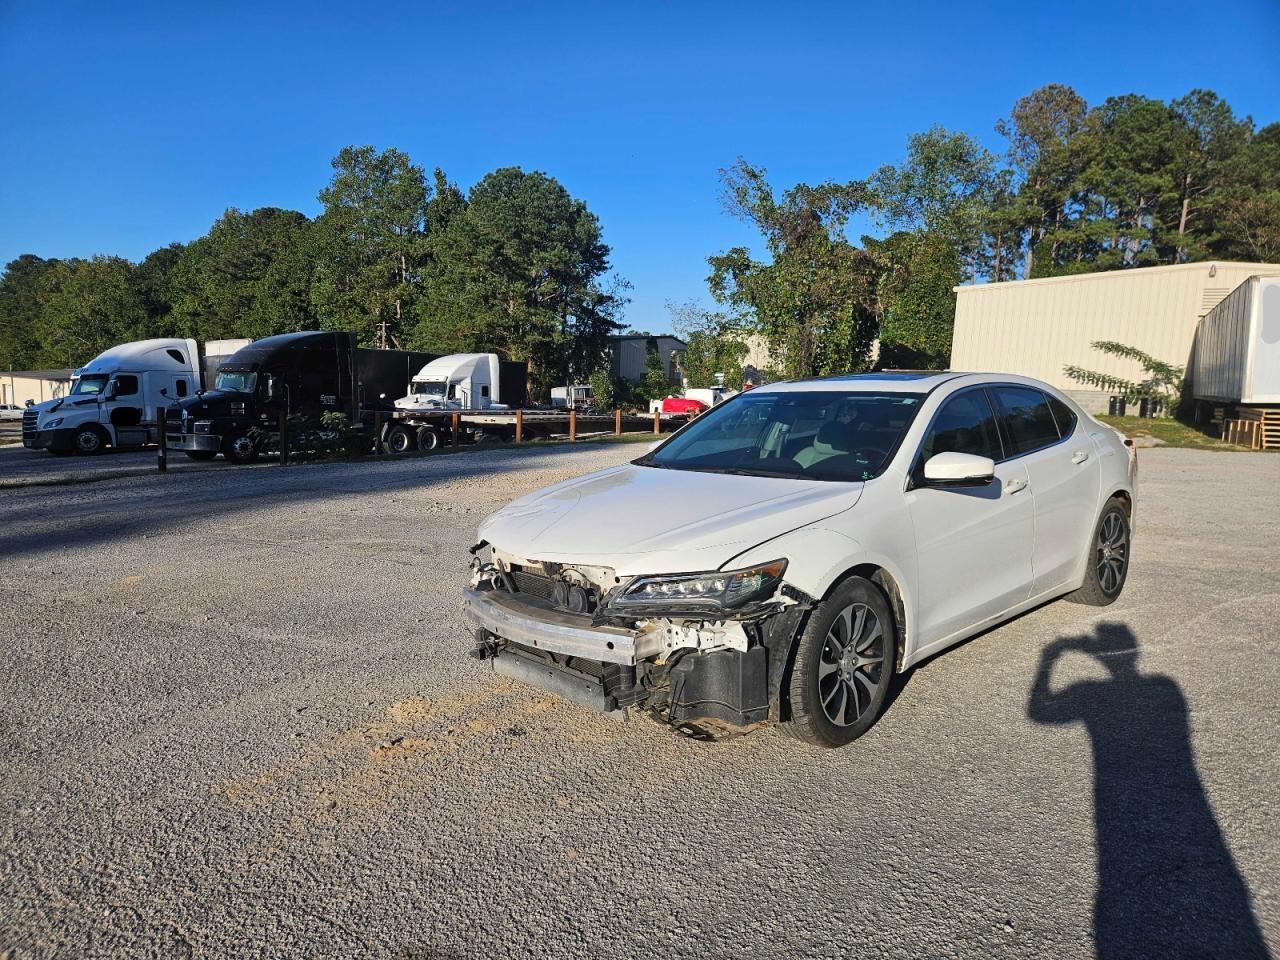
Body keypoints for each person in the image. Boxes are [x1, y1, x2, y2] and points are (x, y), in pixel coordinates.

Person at [1028, 624, 1270, 960]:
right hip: (1188, 807)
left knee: (1121, 894)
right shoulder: (1165, 687)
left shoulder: (1093, 692)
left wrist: (1049, 658)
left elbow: (1040, 711)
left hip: (1116, 807)